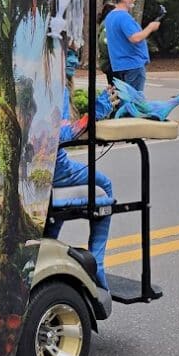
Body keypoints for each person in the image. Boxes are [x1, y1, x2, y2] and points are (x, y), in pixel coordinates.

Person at [46, 49, 113, 287]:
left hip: (39, 166)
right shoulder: (56, 86)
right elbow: (61, 135)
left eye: (77, 53)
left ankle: (47, 241)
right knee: (104, 185)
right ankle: (98, 264)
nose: (75, 60)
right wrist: (94, 115)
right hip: (53, 168)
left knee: (57, 207)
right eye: (69, 53)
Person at [103, 0, 159, 93]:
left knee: (126, 99)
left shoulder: (110, 16)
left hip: (119, 65)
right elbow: (135, 38)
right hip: (132, 65)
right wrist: (150, 28)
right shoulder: (123, 17)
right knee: (134, 102)